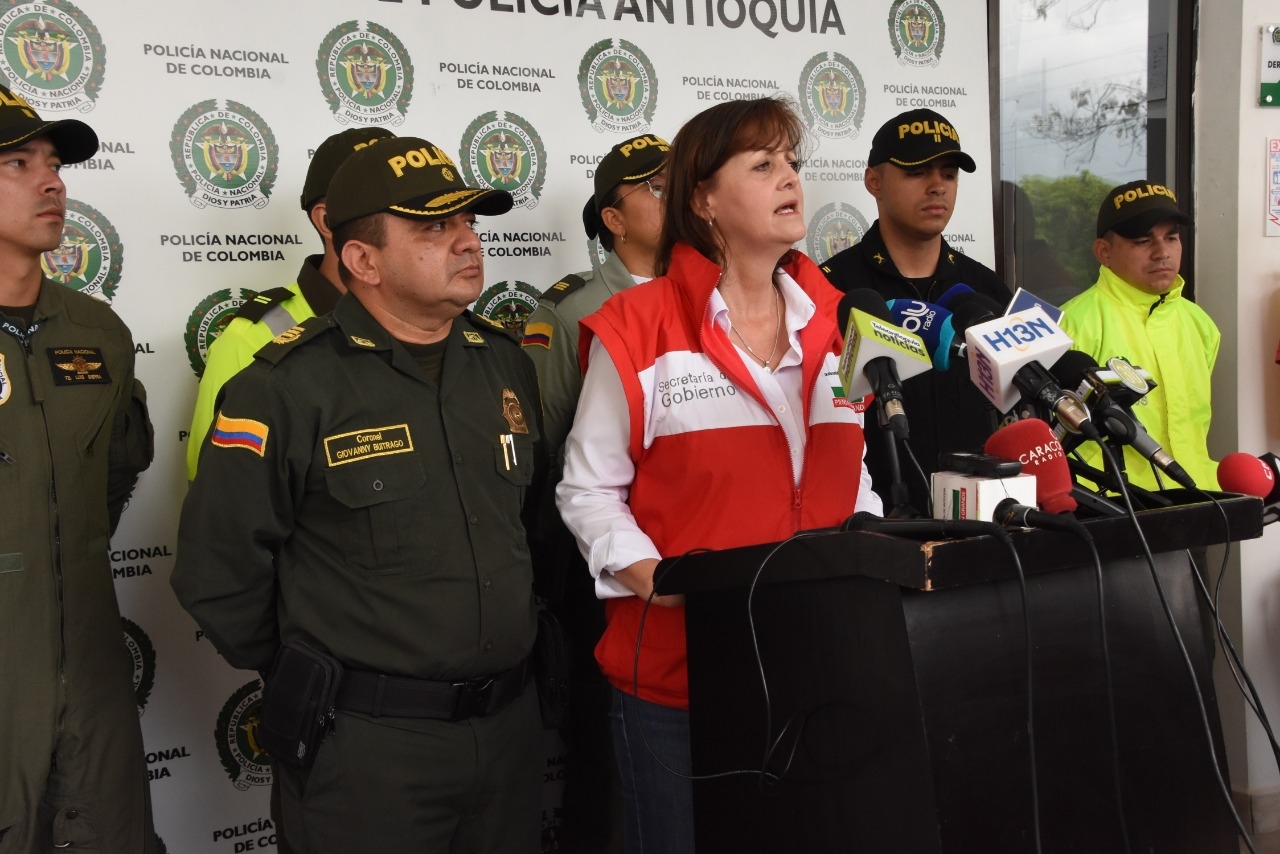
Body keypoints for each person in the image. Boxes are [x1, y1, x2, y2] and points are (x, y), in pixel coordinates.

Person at [172, 136, 546, 854]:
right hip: (366, 753)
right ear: (362, 259)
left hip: (508, 736)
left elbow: (532, 531)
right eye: (434, 227)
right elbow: (217, 571)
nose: (467, 241)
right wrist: (314, 676)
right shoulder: (285, 385)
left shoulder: (503, 364)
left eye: (468, 223)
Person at [555, 96, 881, 854]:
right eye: (762, 165)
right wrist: (655, 576)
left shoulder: (840, 321)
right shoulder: (638, 326)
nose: (789, 178)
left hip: (820, 665)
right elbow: (586, 488)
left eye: (792, 163)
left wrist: (867, 540)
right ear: (701, 199)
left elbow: (855, 471)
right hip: (678, 678)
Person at [0, 83, 155, 851]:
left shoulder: (97, 331)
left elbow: (118, 469)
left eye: (53, 163)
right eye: (16, 163)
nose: (51, 182)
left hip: (91, 676)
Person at [520, 132, 668, 854]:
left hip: (702, 563)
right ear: (613, 216)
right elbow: (548, 456)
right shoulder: (571, 314)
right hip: (605, 574)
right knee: (609, 758)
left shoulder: (724, 295)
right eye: (658, 188)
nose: (677, 200)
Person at [819, 108, 1012, 513]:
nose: (937, 187)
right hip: (870, 528)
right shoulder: (830, 288)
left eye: (948, 173)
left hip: (984, 526)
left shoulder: (986, 290)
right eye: (916, 172)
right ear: (874, 181)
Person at [185, 125, 394, 480]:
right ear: (327, 221)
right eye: (391, 206)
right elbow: (219, 513)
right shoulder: (248, 340)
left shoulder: (444, 324)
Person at [1059, 179, 1219, 491]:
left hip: (1196, 501)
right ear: (1104, 251)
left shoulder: (1200, 323)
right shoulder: (1069, 326)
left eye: (1171, 237)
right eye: (1144, 241)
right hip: (1110, 512)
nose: (1163, 253)